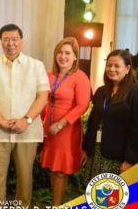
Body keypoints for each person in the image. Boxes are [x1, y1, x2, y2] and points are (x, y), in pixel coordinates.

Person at [0, 24, 49, 208]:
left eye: (14, 39)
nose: (10, 43)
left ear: (21, 41)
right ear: (1, 41)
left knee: (25, 177)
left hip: (27, 131)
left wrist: (26, 120)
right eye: (6, 39)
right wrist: (1, 121)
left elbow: (43, 96)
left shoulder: (36, 66)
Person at [39, 37, 91, 206]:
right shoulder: (49, 75)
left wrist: (61, 124)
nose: (63, 56)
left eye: (67, 53)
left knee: (61, 171)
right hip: (49, 128)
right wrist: (40, 122)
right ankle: (57, 202)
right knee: (53, 169)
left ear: (75, 56)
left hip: (66, 129)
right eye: (60, 53)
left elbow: (83, 105)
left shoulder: (80, 77)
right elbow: (43, 101)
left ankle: (56, 205)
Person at [82, 49, 138, 183]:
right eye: (109, 65)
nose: (111, 69)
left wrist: (130, 160)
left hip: (118, 156)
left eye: (117, 66)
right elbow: (92, 121)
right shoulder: (102, 91)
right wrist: (85, 148)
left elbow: (136, 129)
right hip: (96, 151)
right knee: (95, 191)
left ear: (127, 68)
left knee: (112, 195)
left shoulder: (134, 92)